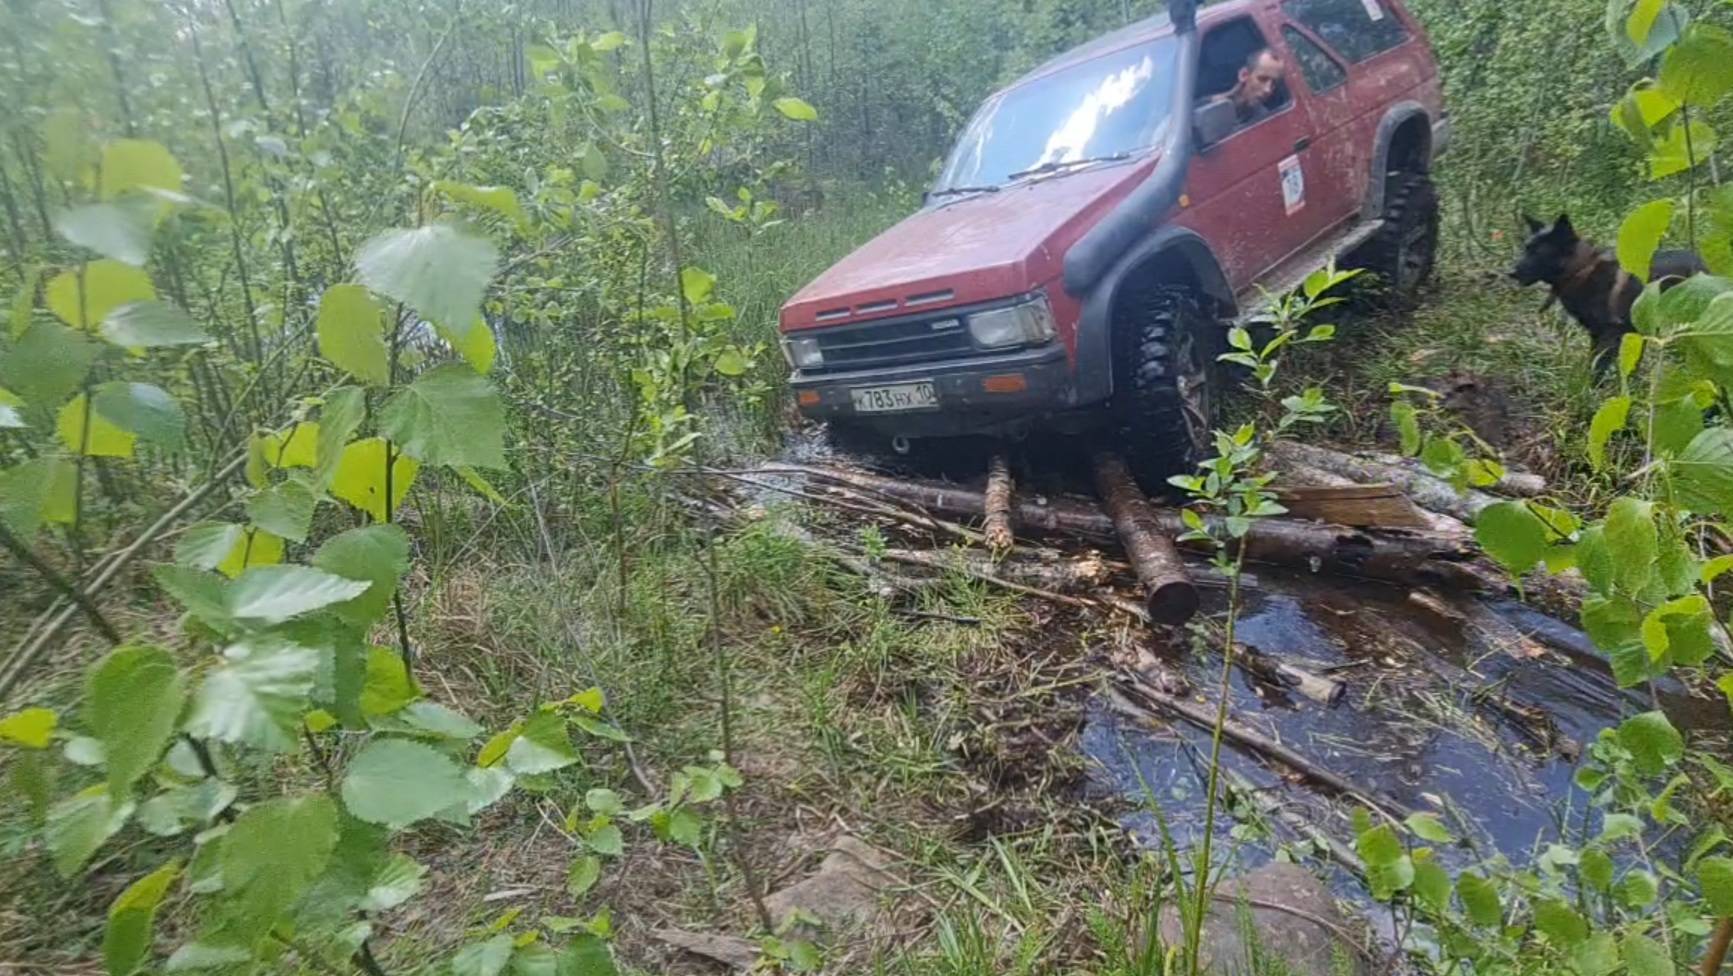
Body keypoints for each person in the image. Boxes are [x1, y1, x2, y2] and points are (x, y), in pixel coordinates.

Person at [1213, 48, 1285, 127]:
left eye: (1273, 84)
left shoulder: (1264, 120)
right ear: (1244, 75)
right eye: (1262, 79)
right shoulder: (1210, 107)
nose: (1267, 90)